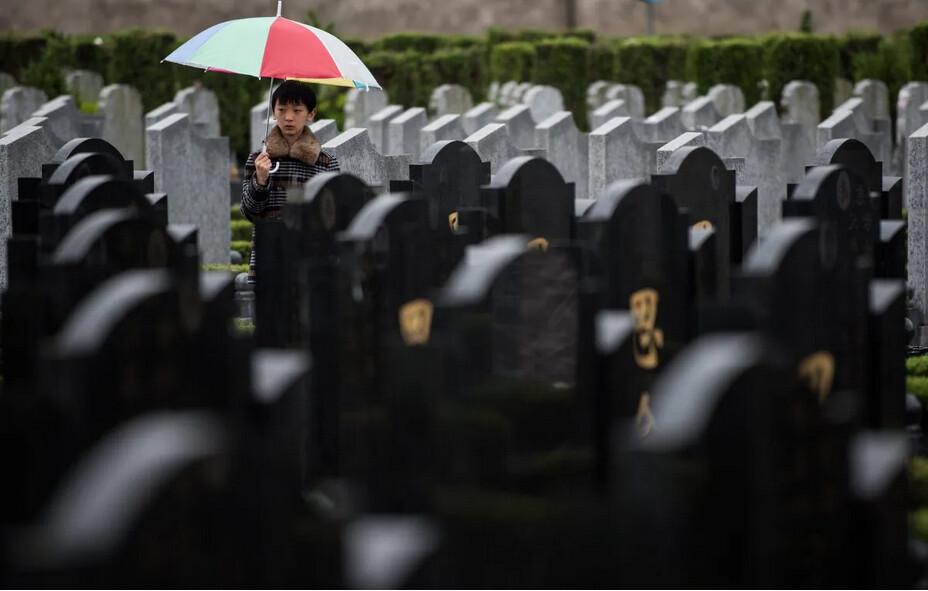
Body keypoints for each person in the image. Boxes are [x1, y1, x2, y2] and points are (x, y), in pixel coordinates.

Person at [240, 80, 340, 283]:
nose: (288, 117)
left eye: (297, 110)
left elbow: (332, 215)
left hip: (310, 257)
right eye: (282, 109)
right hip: (268, 255)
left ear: (311, 114)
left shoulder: (326, 162)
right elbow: (249, 213)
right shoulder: (259, 160)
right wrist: (260, 181)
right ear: (273, 112)